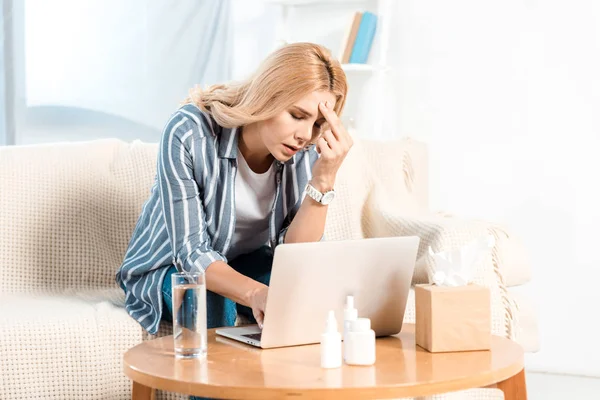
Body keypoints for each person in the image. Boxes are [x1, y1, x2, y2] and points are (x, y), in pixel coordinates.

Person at [116, 42, 352, 336]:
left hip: (246, 262)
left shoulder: (305, 148)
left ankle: (288, 381)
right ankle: (220, 382)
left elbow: (296, 255)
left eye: (317, 124)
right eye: (296, 115)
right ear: (268, 96)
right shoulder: (189, 132)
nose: (305, 135)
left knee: (309, 290)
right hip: (170, 268)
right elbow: (191, 253)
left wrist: (324, 179)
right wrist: (255, 294)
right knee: (210, 299)